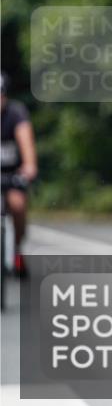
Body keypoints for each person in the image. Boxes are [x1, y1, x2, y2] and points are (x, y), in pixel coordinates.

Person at [0, 71, 37, 277]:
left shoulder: (16, 113)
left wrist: (30, 166)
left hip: (12, 174)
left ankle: (17, 251)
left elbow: (26, 141)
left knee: (18, 205)